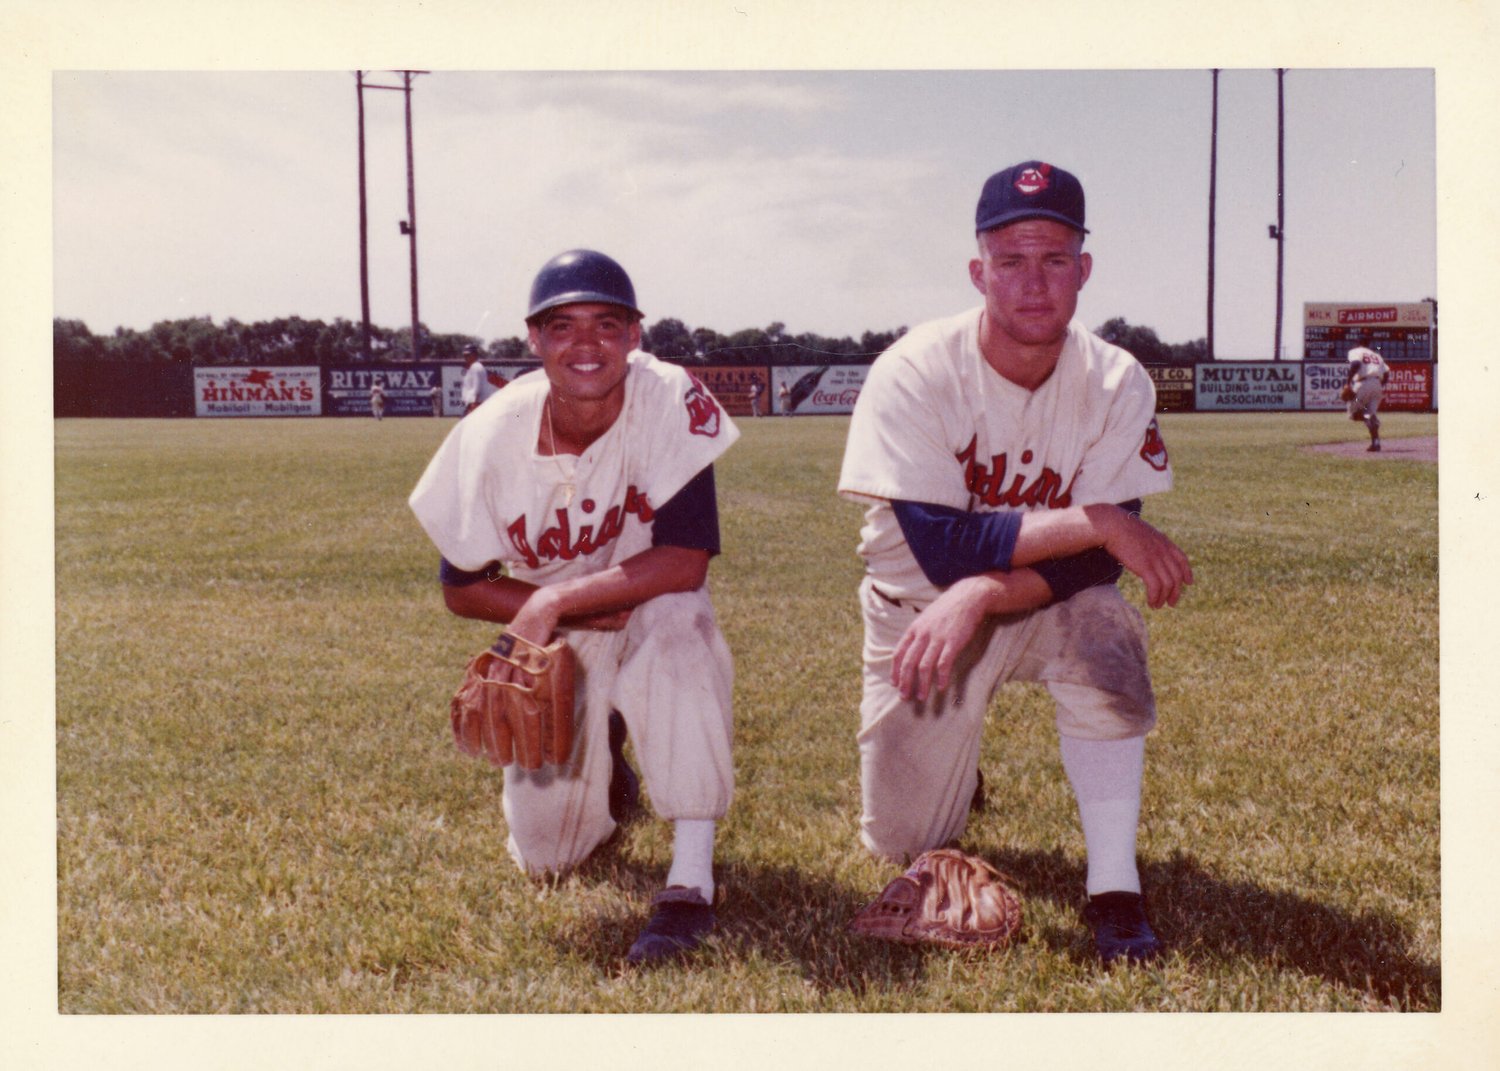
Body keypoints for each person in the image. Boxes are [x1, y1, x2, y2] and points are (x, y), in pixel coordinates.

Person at [837, 160, 1194, 965]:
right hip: (918, 616)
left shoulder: (1115, 379)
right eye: (1011, 260)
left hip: (1042, 603)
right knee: (901, 840)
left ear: (1083, 270)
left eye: (1055, 258)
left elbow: (1098, 565)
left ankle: (1114, 887)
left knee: (1106, 622)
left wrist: (985, 592)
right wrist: (1098, 518)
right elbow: (941, 548)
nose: (1034, 282)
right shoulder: (915, 369)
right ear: (979, 271)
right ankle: (954, 774)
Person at [409, 249, 739, 966]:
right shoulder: (494, 431)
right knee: (549, 855)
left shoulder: (668, 398)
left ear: (634, 334)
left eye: (606, 323)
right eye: (563, 325)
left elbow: (684, 558)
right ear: (534, 339)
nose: (585, 343)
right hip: (565, 631)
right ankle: (609, 763)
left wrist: (555, 596)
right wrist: (565, 613)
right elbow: (461, 586)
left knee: (681, 626)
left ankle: (690, 881)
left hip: (649, 600)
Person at [1345, 342, 1390, 451]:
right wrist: (1380, 385)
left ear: (1357, 344)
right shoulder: (1376, 355)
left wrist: (1348, 382)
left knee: (1353, 414)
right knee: (1370, 414)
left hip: (1363, 384)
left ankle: (1370, 420)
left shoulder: (1355, 351)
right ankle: (1376, 442)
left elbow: (1355, 364)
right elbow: (1387, 372)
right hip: (1377, 385)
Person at [460, 344, 491, 416]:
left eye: (468, 355)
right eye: (464, 355)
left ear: (475, 355)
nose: (465, 357)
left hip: (475, 404)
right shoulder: (474, 367)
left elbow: (477, 388)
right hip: (474, 404)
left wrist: (474, 405)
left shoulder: (476, 367)